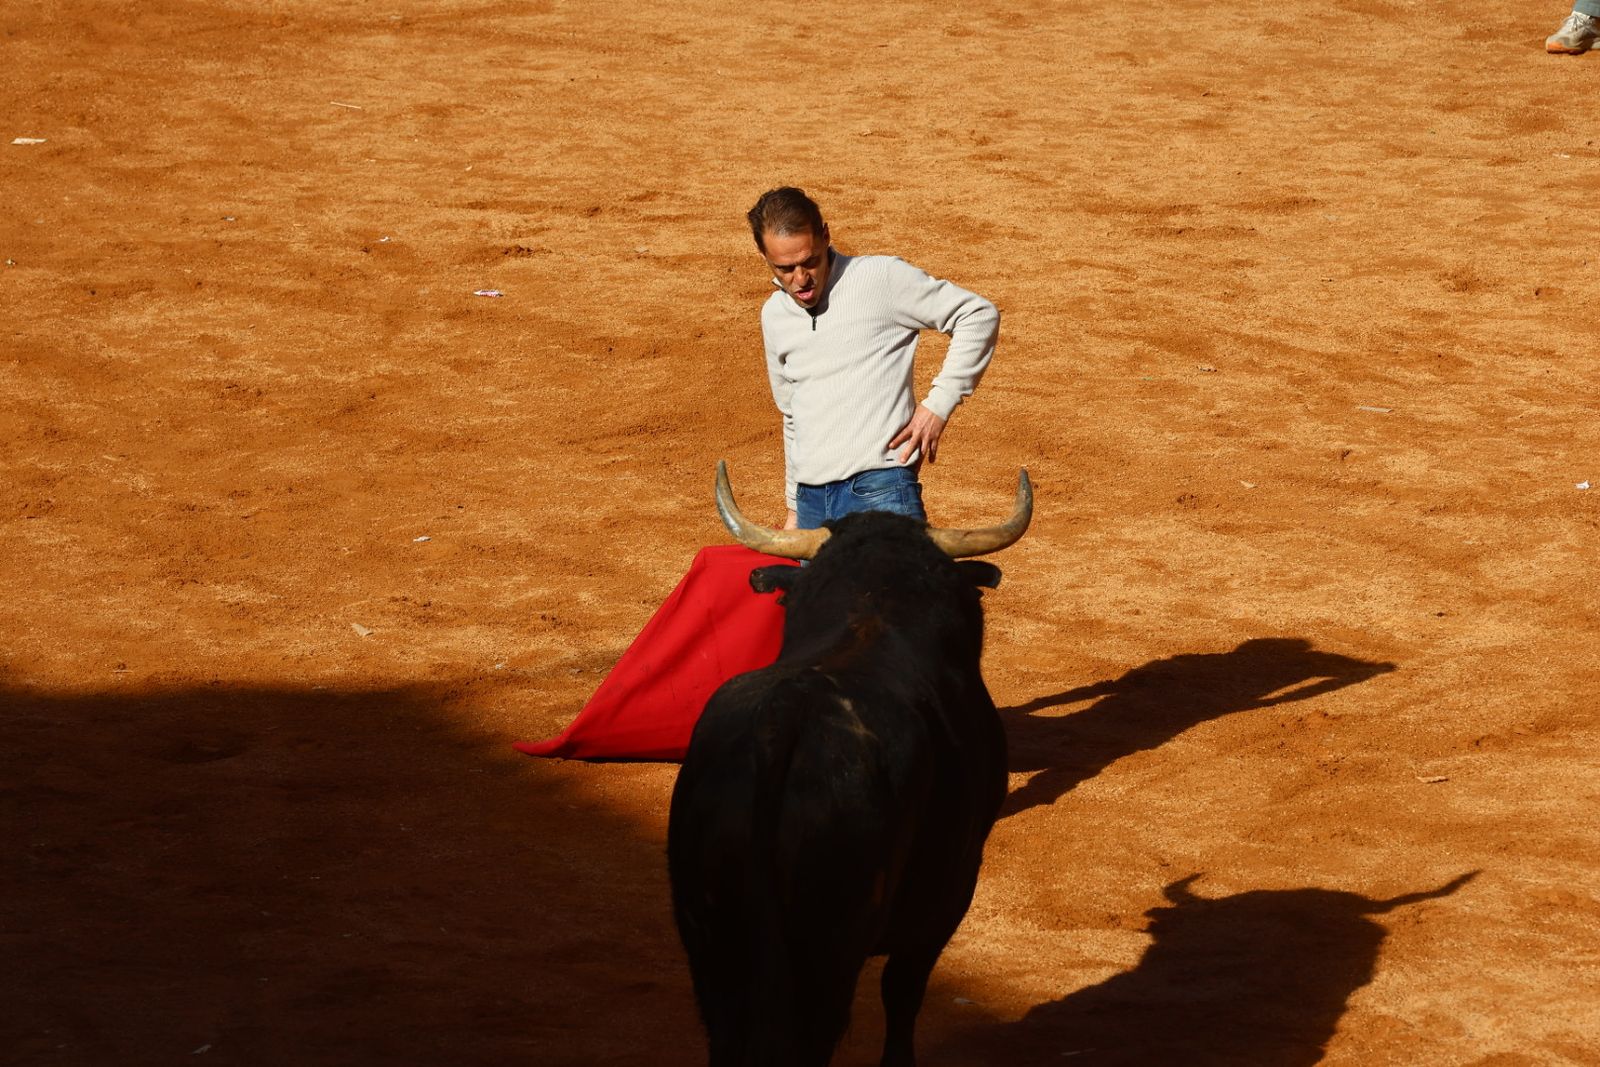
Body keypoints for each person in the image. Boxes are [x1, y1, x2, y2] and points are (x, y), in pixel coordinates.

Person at [747, 186, 1000, 531]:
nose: (801, 279)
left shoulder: (880, 278)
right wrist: (794, 508)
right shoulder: (774, 315)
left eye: (810, 261)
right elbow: (792, 414)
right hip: (811, 503)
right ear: (763, 256)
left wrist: (938, 406)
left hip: (880, 489)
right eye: (785, 268)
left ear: (825, 236)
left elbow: (977, 315)